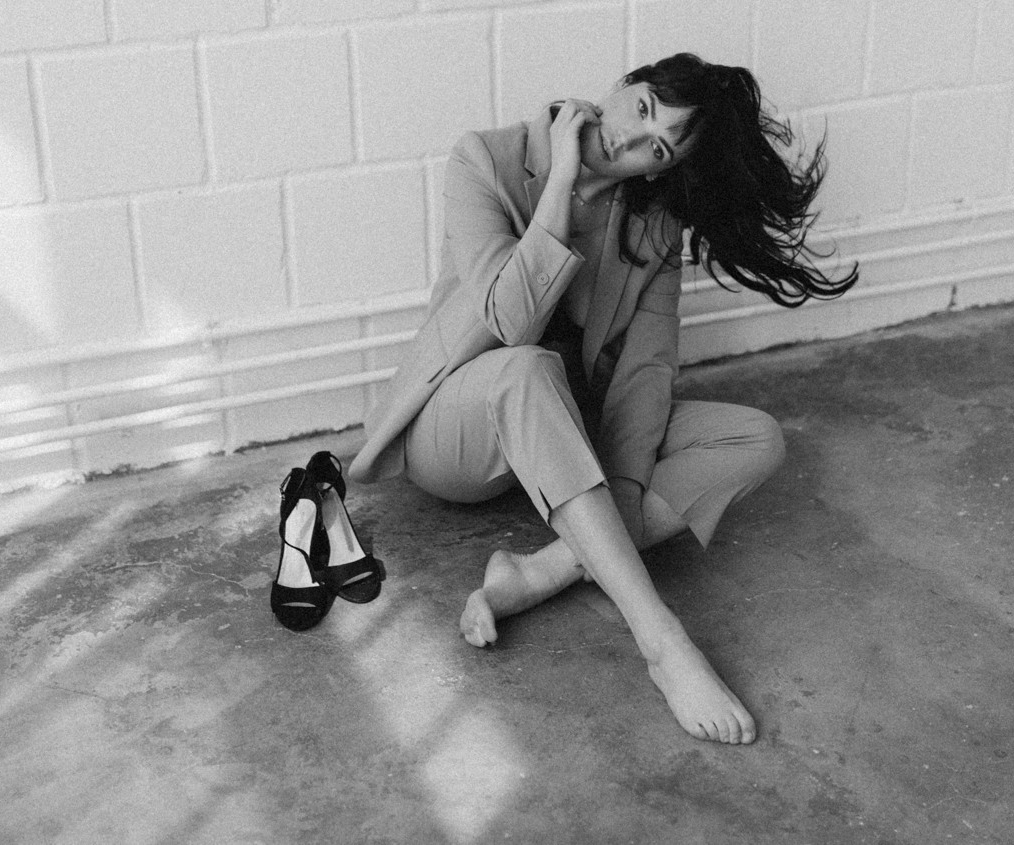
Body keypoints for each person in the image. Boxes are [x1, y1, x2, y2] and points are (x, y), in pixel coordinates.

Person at [346, 53, 856, 744]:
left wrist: (618, 489)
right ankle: (663, 643)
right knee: (527, 369)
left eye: (659, 148)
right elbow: (509, 320)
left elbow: (645, 376)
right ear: (622, 85)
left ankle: (545, 568)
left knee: (755, 437)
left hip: (564, 433)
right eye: (642, 109)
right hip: (458, 428)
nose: (633, 141)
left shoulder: (653, 224)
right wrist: (560, 180)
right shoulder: (485, 161)